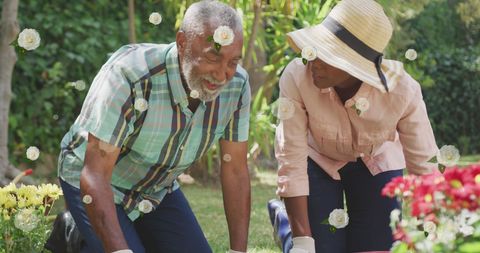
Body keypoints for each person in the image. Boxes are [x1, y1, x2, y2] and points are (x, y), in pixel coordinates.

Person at [57, 1, 251, 252]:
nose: (223, 74)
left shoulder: (237, 85)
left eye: (233, 62)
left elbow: (235, 169)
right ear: (182, 42)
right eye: (213, 57)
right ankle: (73, 231)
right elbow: (95, 175)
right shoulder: (129, 73)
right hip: (96, 180)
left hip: (156, 189)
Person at [268, 0, 439, 252]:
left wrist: (430, 231)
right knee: (318, 247)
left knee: (377, 248)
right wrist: (303, 241)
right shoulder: (296, 76)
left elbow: (424, 164)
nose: (313, 59)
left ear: (357, 66)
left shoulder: (402, 91)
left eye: (326, 53)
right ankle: (285, 223)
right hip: (318, 160)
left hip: (374, 161)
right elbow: (291, 158)